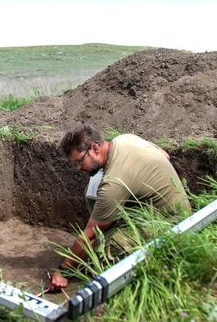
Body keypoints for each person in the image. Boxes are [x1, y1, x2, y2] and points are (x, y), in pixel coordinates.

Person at [50, 124, 191, 289]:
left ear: (95, 148)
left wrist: (64, 270)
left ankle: (157, 262)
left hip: (170, 223)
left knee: (98, 255)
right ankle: (111, 226)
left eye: (80, 161)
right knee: (93, 191)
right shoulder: (124, 139)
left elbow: (90, 235)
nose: (78, 168)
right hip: (162, 206)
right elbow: (164, 155)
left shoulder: (113, 183)